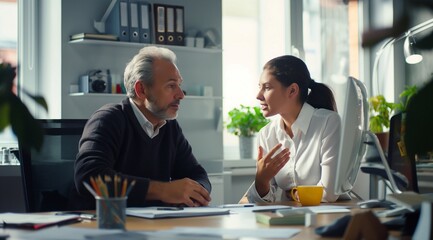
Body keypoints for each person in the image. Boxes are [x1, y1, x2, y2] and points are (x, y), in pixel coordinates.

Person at [73, 46, 212, 210]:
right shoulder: (108, 119)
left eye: (179, 85)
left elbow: (196, 173)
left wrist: (195, 194)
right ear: (141, 89)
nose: (181, 94)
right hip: (105, 226)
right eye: (171, 85)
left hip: (153, 227)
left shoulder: (169, 126)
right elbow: (89, 176)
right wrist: (163, 190)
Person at [245, 55, 341, 203]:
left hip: (324, 217)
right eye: (260, 87)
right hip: (287, 220)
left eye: (267, 87)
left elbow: (328, 193)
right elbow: (264, 201)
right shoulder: (266, 134)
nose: (258, 96)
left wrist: (292, 193)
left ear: (292, 91)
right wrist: (261, 181)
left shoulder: (328, 122)